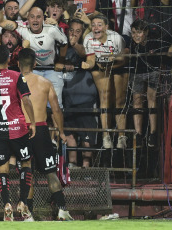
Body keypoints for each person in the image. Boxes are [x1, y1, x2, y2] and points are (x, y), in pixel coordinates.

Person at [0, 45, 35, 221]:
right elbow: (26, 100)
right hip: (18, 128)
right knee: (25, 164)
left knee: (2, 169)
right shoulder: (17, 76)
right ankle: (22, 202)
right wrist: (32, 122)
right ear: (9, 59)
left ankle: (6, 205)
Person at [18, 48, 73, 221]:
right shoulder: (45, 82)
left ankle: (29, 215)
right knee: (50, 172)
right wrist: (61, 132)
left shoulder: (14, 82)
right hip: (41, 130)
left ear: (18, 64)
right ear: (35, 63)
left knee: (28, 173)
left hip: (21, 130)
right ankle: (62, 209)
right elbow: (56, 110)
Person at [0, 6, 68, 108]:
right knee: (33, 103)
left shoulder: (52, 29)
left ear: (43, 18)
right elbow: (0, 22)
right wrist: (0, 5)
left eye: (38, 17)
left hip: (52, 69)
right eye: (32, 17)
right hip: (34, 70)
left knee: (55, 104)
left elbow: (64, 43)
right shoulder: (22, 27)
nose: (35, 20)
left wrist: (61, 60)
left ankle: (56, 124)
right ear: (28, 19)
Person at [82, 15, 128, 149]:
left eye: (99, 24)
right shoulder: (88, 38)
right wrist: (87, 65)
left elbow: (123, 60)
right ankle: (106, 136)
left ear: (106, 27)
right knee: (105, 98)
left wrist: (110, 65)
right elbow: (91, 60)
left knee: (119, 100)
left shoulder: (116, 38)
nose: (96, 27)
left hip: (118, 67)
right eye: (94, 24)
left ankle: (121, 136)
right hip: (101, 68)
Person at [63, 19, 98, 167]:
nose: (74, 34)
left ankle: (86, 169)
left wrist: (75, 45)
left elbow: (85, 54)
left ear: (83, 33)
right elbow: (58, 60)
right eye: (72, 30)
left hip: (86, 99)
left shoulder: (88, 43)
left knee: (87, 136)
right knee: (70, 135)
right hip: (67, 99)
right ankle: (72, 168)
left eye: (78, 31)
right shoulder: (62, 45)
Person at [129, 19, 168, 148]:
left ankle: (153, 132)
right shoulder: (131, 44)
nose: (136, 36)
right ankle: (138, 134)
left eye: (139, 32)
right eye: (133, 32)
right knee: (137, 100)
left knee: (151, 98)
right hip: (137, 74)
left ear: (145, 32)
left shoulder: (154, 42)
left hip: (153, 72)